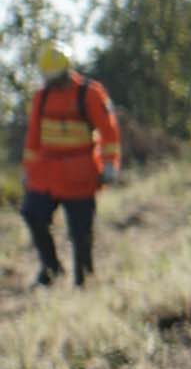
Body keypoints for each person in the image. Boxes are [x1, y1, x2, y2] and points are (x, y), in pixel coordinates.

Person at [21, 43, 120, 288]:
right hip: (46, 175)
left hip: (80, 176)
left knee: (80, 234)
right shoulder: (41, 98)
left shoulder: (90, 94)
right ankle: (51, 268)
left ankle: (84, 281)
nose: (52, 85)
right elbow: (33, 138)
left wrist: (110, 166)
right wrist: (28, 171)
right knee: (33, 215)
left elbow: (109, 133)